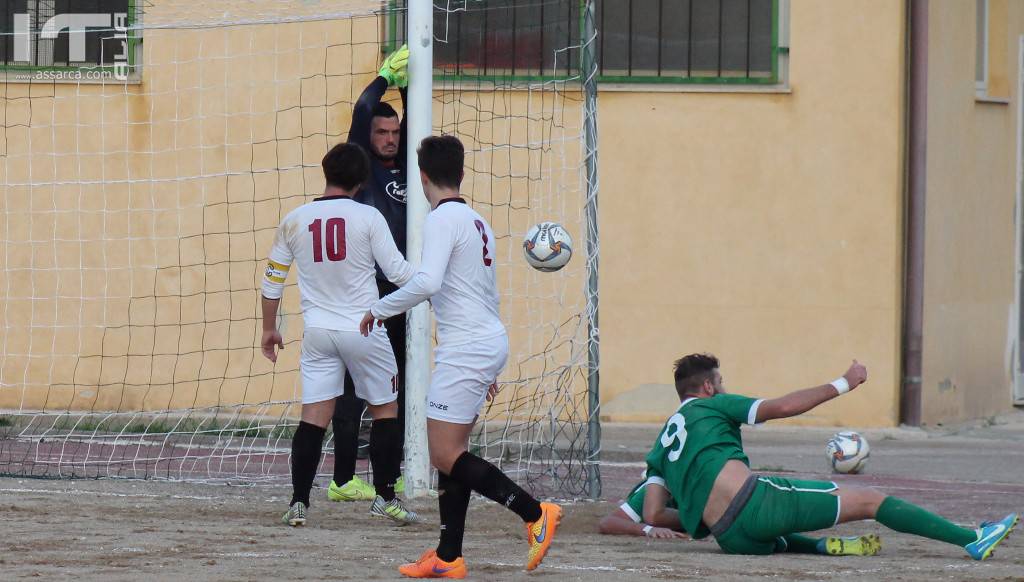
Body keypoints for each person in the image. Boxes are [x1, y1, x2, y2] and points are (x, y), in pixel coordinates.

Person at [359, 135, 562, 577]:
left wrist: (379, 308)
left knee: (443, 454)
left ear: (422, 176)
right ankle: (448, 557)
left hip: (469, 347)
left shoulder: (442, 220)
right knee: (453, 451)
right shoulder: (476, 220)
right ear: (462, 173)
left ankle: (534, 513)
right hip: (481, 341)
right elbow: (477, 289)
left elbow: (428, 283)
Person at [644, 353, 1018, 560]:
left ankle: (822, 546)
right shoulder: (714, 406)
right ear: (708, 386)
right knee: (872, 500)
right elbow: (783, 406)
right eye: (721, 383)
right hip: (754, 505)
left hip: (729, 538)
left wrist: (701, 512)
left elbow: (654, 515)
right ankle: (972, 537)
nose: (724, 387)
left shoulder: (662, 441)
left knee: (779, 531)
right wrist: (844, 383)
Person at [261, 142, 419, 527]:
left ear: (325, 173)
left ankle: (298, 502)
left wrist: (269, 329)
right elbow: (398, 274)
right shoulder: (368, 217)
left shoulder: (295, 218)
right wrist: (435, 281)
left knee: (314, 416)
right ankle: (384, 497)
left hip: (318, 333)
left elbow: (272, 283)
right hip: (364, 328)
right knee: (385, 410)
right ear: (362, 181)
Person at [328, 45, 412, 503]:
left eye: (394, 131)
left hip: (400, 295)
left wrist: (411, 88)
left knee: (395, 387)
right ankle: (343, 479)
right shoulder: (361, 165)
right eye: (382, 131)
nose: (389, 138)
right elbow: (362, 110)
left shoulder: (410, 167)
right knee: (350, 390)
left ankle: (391, 474)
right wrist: (385, 78)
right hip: (362, 293)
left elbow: (415, 122)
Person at [598, 476, 687, 539]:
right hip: (656, 505)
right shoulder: (656, 488)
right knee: (653, 515)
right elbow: (607, 523)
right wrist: (647, 529)